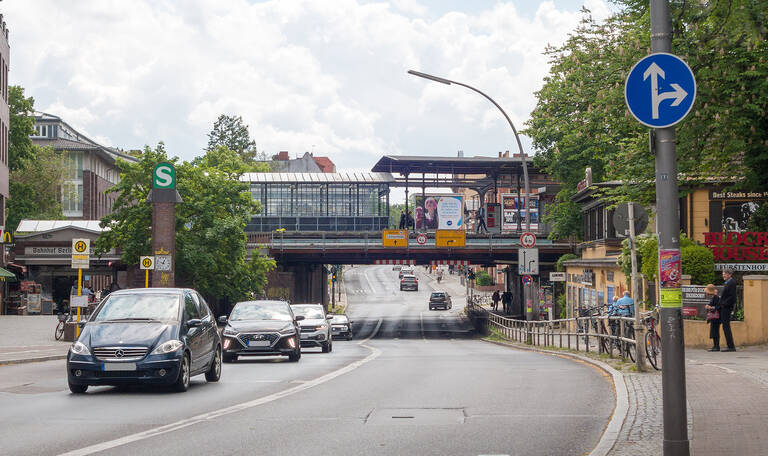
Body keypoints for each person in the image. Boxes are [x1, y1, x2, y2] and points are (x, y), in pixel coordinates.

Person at [716, 268, 737, 351]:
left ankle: (731, 346)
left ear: (729, 275)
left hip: (727, 308)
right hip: (724, 307)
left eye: (724, 274)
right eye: (723, 274)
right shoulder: (727, 283)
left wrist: (723, 304)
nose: (723, 275)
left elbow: (732, 297)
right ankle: (730, 345)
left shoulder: (731, 283)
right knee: (725, 327)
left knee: (726, 327)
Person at [704, 284, 723, 351]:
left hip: (716, 318)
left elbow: (718, 307)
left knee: (715, 331)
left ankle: (716, 346)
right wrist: (708, 306)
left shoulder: (716, 297)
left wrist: (710, 307)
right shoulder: (714, 297)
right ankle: (715, 346)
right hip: (714, 318)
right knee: (714, 331)